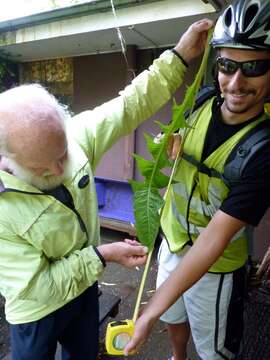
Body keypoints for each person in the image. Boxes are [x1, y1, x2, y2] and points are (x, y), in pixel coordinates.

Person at [0, 18, 211, 360]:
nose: (59, 168)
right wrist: (102, 255)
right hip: (35, 310)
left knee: (83, 353)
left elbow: (130, 105)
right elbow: (37, 287)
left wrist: (180, 55)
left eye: (63, 154)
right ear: (7, 159)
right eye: (43, 166)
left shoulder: (75, 137)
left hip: (83, 289)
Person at [124, 0, 270, 359]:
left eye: (253, 67)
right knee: (174, 319)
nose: (236, 82)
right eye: (227, 65)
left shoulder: (265, 151)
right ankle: (177, 355)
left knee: (214, 351)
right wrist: (171, 140)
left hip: (216, 269)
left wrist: (149, 311)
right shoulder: (203, 98)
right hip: (172, 244)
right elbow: (177, 134)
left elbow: (214, 241)